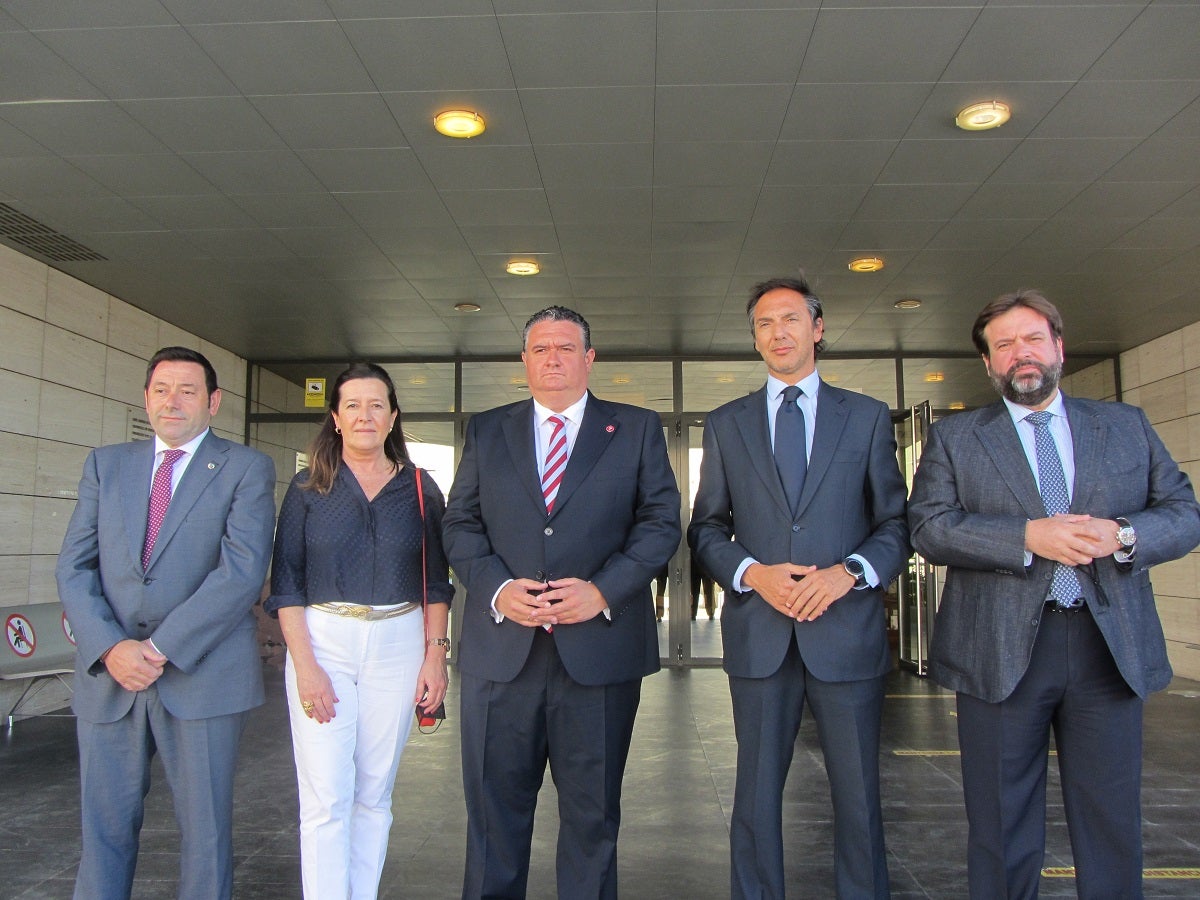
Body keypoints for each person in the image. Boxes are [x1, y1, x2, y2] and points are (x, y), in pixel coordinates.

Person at [908, 289, 1200, 898]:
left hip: (1106, 646)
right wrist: (1026, 536)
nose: (1022, 354)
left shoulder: (1125, 426)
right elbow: (929, 527)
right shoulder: (957, 438)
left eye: (1033, 339)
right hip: (997, 650)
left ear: (1058, 347)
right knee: (999, 822)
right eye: (1004, 345)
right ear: (989, 364)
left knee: (1112, 820)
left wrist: (1122, 534)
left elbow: (1183, 513)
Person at [443, 305, 681, 900]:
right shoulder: (488, 429)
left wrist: (603, 589)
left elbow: (659, 524)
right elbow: (459, 523)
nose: (553, 358)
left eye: (567, 348)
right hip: (502, 655)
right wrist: (497, 588)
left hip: (598, 656)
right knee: (494, 820)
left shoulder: (636, 427)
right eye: (541, 348)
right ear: (524, 360)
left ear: (590, 358)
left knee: (592, 820)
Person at [688, 276, 909, 900]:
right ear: (755, 338)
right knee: (755, 795)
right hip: (761, 636)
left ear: (817, 329)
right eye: (763, 323)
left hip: (846, 633)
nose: (777, 332)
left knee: (859, 794)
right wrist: (751, 573)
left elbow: (896, 523)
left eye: (789, 319)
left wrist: (849, 574)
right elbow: (706, 527)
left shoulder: (864, 418)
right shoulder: (728, 424)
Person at [55, 346, 277, 900]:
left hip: (201, 675)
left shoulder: (246, 468)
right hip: (111, 678)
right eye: (161, 389)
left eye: (188, 390)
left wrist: (156, 648)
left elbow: (241, 573)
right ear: (145, 398)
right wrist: (111, 649)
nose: (172, 401)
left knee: (205, 835)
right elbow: (73, 566)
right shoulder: (106, 465)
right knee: (103, 830)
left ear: (214, 402)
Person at [265, 362, 452, 899]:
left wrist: (434, 656)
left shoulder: (420, 488)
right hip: (324, 642)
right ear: (336, 418)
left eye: (377, 405)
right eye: (353, 405)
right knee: (326, 796)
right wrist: (305, 668)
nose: (365, 415)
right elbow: (287, 585)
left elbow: (436, 583)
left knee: (374, 793)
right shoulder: (307, 488)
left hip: (398, 641)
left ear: (393, 416)